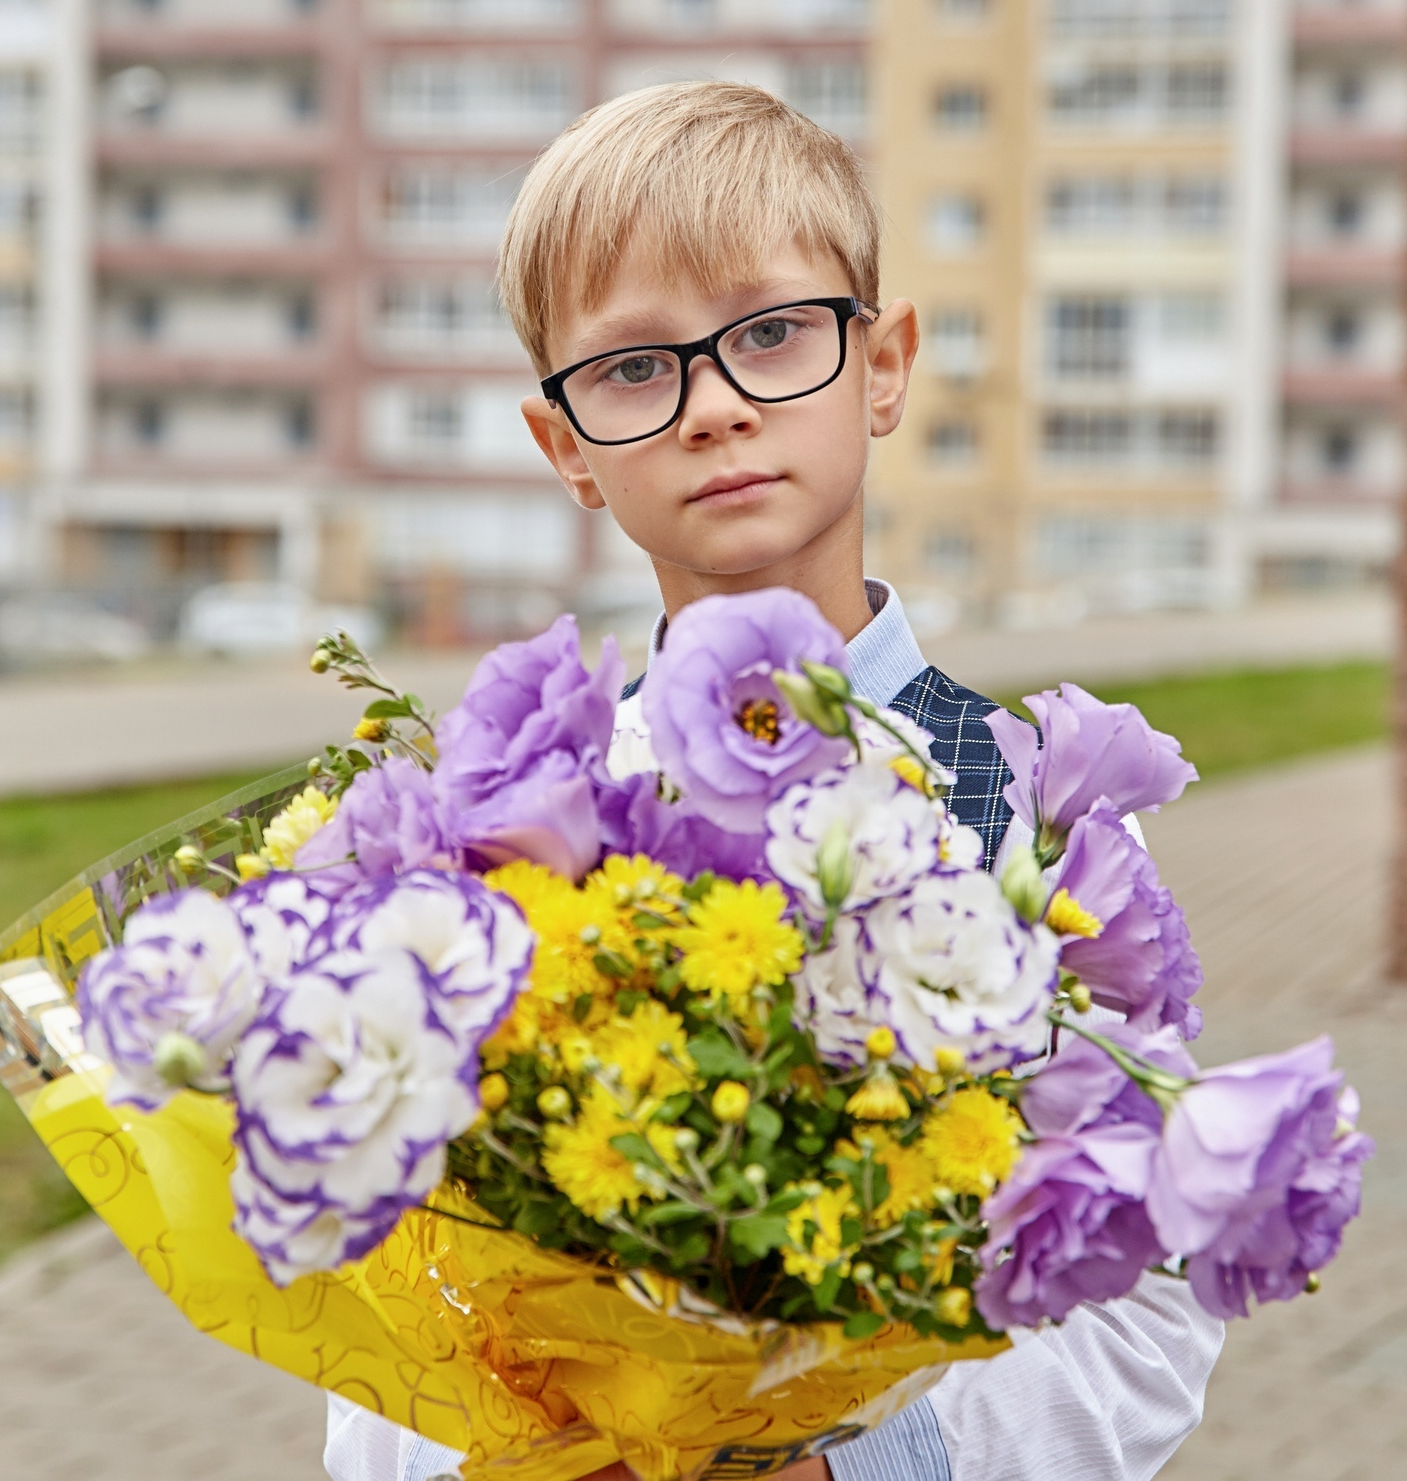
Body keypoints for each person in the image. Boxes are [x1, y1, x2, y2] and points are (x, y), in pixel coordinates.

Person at [325, 81, 1223, 1481]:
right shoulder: (503, 830)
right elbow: (384, 1297)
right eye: (633, 368)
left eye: (772, 333)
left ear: (883, 364)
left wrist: (848, 1467)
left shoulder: (1029, 821)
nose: (716, 407)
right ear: (563, 444)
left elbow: (1143, 1300)